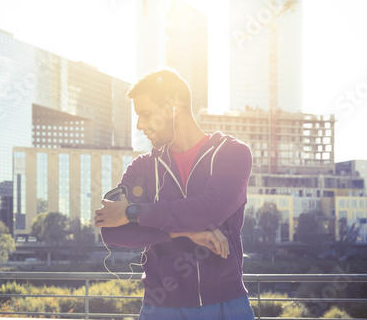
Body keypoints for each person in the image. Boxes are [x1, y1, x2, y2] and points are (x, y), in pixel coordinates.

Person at [94, 68, 255, 320]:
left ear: (173, 106)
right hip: (161, 308)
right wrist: (183, 231)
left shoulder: (232, 154)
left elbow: (208, 211)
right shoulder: (142, 168)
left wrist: (132, 212)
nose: (139, 125)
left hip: (226, 304)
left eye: (145, 114)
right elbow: (111, 229)